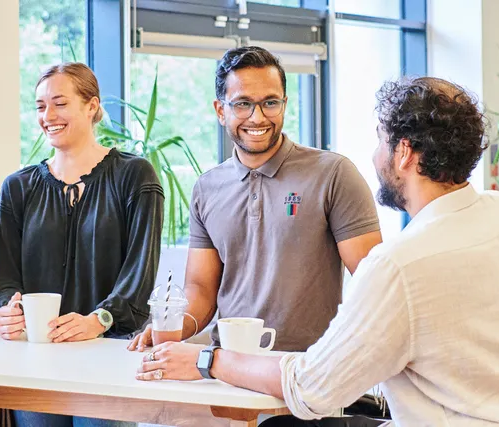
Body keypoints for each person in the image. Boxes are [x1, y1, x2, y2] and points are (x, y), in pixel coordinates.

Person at [132, 77, 499, 426]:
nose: (374, 156)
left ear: (404, 153)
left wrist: (208, 359)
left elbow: (309, 389)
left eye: (380, 141)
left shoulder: (398, 265)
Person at [128, 46, 381, 353]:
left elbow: (376, 283)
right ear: (221, 110)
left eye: (270, 103)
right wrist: (169, 329)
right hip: (226, 366)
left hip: (306, 370)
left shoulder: (333, 174)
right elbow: (202, 290)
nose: (257, 117)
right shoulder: (207, 188)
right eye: (243, 104)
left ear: (284, 104)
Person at [0, 62, 163, 427]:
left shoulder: (135, 176)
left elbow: (140, 274)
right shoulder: (17, 188)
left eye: (60, 103)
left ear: (92, 106)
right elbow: (6, 279)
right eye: (40, 106)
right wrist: (6, 310)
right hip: (35, 362)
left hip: (109, 359)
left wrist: (99, 320)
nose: (47, 115)